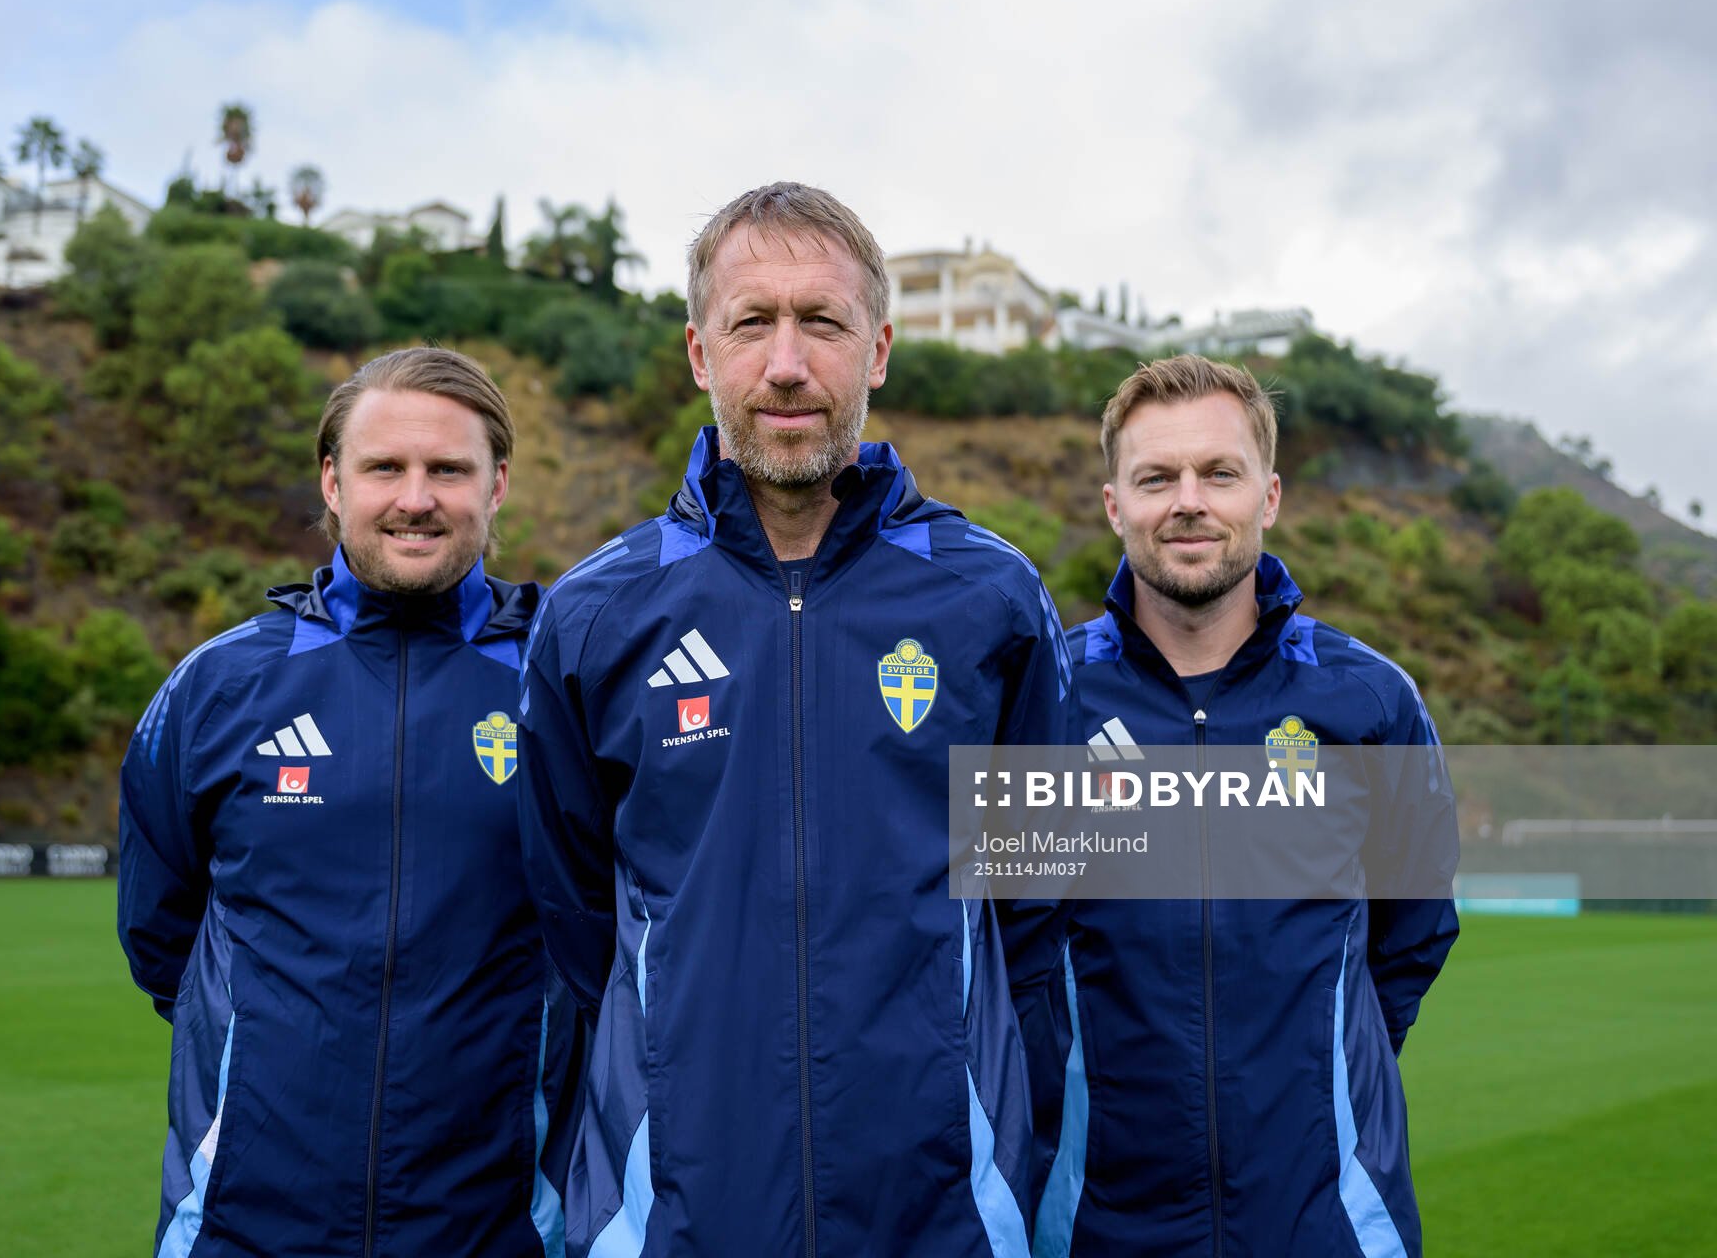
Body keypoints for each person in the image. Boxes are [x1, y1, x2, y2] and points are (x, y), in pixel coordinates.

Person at [516, 181, 1071, 1257]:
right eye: (750, 322)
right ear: (696, 351)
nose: (785, 363)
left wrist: (990, 1143)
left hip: (941, 1213)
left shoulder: (994, 597)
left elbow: (1039, 908)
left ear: (878, 350)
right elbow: (575, 912)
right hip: (671, 1209)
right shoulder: (594, 611)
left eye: (822, 321)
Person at [118, 348, 573, 1257]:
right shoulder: (218, 687)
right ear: (332, 482)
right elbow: (161, 937)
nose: (416, 498)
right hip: (245, 1225)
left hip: (499, 1228)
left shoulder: (566, 683)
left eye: (448, 469)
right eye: (384, 468)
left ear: (499, 484)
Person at [1035, 354, 1459, 1257]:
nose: (1188, 501)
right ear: (1115, 505)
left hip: (1330, 1221)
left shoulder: (1371, 701)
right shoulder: (1042, 701)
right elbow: (1004, 953)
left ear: (1267, 496)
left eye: (1219, 474)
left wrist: (1317, 1078)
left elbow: (1412, 933)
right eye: (1156, 478)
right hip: (1097, 1228)